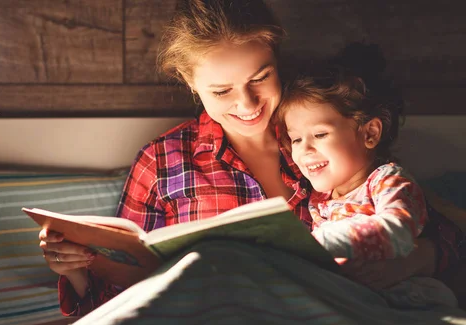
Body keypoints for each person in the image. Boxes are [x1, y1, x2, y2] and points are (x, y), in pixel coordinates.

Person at [38, 0, 465, 316]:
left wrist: (417, 259)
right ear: (190, 83)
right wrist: (77, 270)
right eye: (221, 91)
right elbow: (123, 301)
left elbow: (433, 230)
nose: (247, 104)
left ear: (277, 63)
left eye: (261, 78)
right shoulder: (164, 161)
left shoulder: (316, 135)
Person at [275, 64, 459, 307]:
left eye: (320, 134)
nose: (304, 149)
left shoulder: (388, 180)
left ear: (369, 134)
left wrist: (324, 241)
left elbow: (399, 230)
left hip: (405, 293)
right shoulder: (318, 200)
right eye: (296, 139)